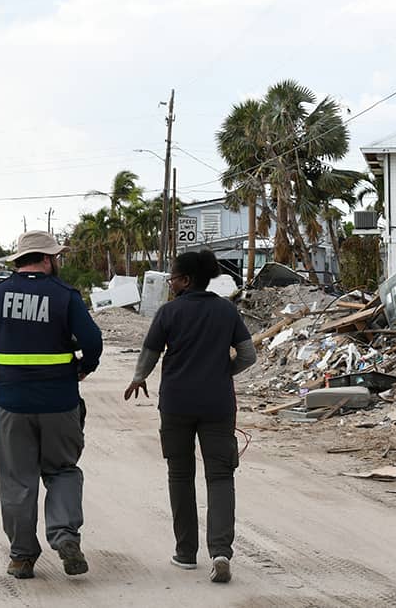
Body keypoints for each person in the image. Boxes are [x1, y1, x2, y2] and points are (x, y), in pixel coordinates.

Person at [0, 230, 103, 580]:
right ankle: (65, 535)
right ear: (47, 259)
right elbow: (93, 342)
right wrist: (82, 369)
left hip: (12, 406)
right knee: (63, 470)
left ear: (20, 260)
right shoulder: (65, 296)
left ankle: (22, 557)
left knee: (17, 482)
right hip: (61, 404)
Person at [123, 250, 256, 584]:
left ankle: (185, 553)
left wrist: (139, 378)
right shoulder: (227, 310)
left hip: (176, 405)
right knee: (221, 477)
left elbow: (150, 352)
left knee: (180, 475)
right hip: (218, 405)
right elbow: (248, 355)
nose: (169, 281)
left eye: (172, 276)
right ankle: (221, 552)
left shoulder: (170, 312)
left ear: (184, 280)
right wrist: (225, 370)